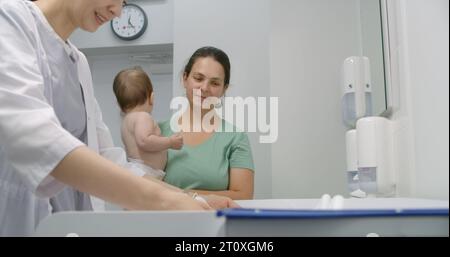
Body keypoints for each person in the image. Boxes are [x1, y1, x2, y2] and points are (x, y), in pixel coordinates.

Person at [0, 0, 237, 237]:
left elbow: (109, 158)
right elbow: (36, 138)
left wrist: (191, 198)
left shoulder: (78, 63)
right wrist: (166, 202)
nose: (118, 11)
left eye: (123, 2)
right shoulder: (9, 20)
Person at [160, 47, 255, 200]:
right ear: (185, 78)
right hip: (163, 224)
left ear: (224, 89)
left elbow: (243, 196)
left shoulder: (235, 138)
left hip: (216, 224)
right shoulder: (157, 132)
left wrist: (186, 195)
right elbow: (143, 186)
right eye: (198, 78)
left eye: (215, 83)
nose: (204, 88)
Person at [112, 67, 183, 180]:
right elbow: (144, 141)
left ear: (119, 104)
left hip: (140, 171)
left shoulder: (126, 121)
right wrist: (170, 142)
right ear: (152, 98)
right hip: (144, 173)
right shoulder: (143, 116)